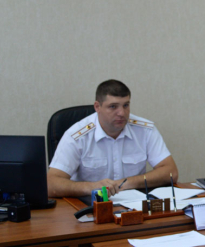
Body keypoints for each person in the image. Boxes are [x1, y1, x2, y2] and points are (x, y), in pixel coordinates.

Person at [47, 80, 178, 198]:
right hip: (89, 205)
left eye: (125, 105)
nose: (122, 113)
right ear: (97, 107)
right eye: (113, 106)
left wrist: (125, 183)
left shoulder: (145, 130)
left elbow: (170, 171)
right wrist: (92, 187)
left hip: (133, 204)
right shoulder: (77, 136)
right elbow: (51, 184)